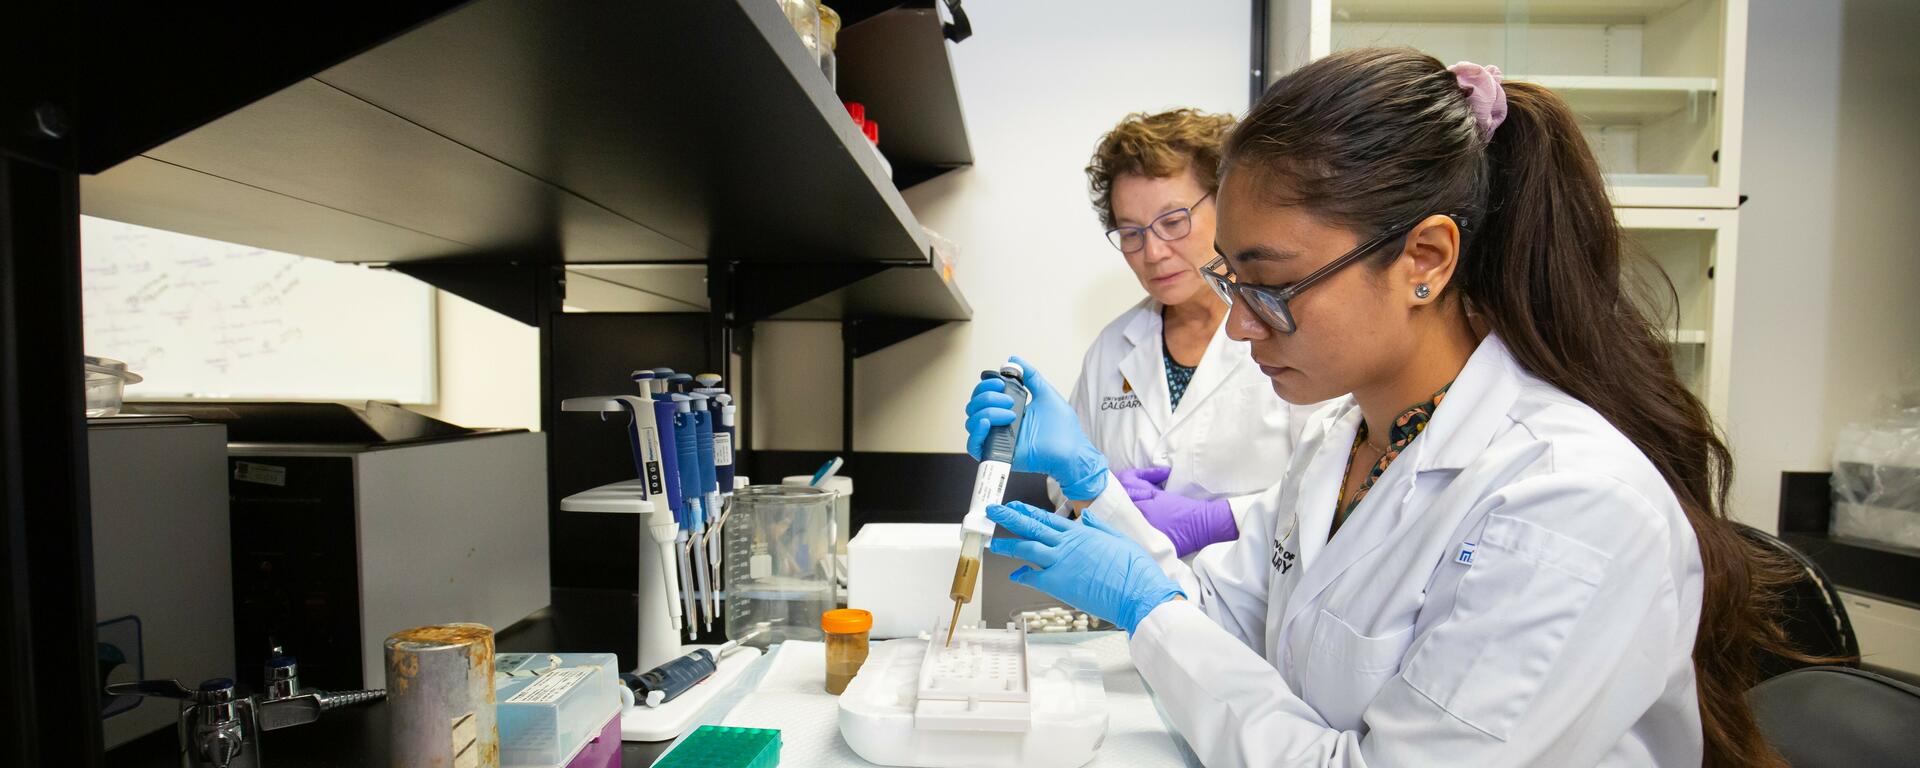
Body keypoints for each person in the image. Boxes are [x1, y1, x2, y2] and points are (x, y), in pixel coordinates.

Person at [966, 49, 1801, 766]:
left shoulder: (1566, 502)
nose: (1243, 320)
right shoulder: (1348, 446)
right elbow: (1225, 614)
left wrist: (1144, 607)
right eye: (1232, 280)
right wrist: (1094, 486)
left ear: (1425, 259)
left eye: (1272, 284)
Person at [1053, 109, 1318, 556]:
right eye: (1131, 233)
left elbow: (1336, 487)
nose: (1153, 252)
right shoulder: (1112, 347)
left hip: (1258, 608)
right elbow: (1065, 492)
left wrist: (1220, 521)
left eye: (1173, 221)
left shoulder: (1294, 327)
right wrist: (1098, 498)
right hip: (1133, 609)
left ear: (1228, 205)